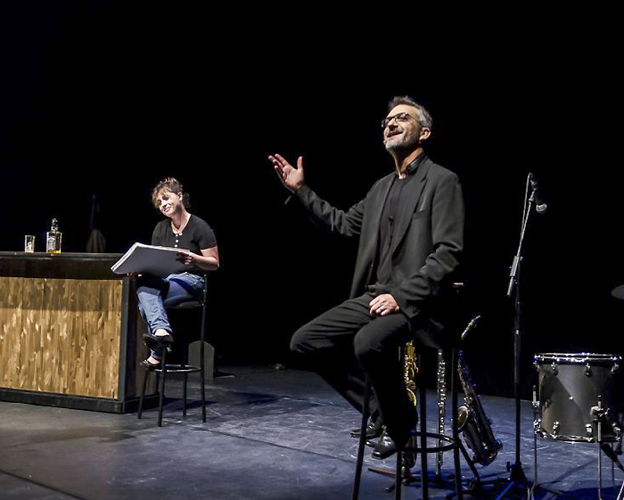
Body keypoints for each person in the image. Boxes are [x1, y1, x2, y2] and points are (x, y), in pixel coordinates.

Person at [268, 96, 464, 459]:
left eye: (402, 118)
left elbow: (448, 253)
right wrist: (301, 190)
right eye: (387, 120)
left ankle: (398, 422)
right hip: (375, 296)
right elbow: (342, 224)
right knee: (304, 342)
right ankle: (386, 413)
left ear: (424, 132)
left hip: (418, 302)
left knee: (367, 343)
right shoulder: (380, 188)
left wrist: (401, 297)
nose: (391, 123)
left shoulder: (441, 180)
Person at [137, 177, 219, 368]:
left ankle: (158, 351)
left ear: (180, 196)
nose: (163, 205)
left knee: (145, 304)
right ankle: (162, 333)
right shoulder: (160, 228)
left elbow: (214, 263)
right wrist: (140, 269)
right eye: (159, 203)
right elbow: (156, 261)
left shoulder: (199, 226)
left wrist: (194, 258)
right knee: (143, 286)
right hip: (167, 279)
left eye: (166, 198)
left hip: (192, 281)